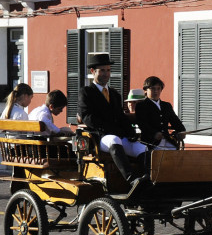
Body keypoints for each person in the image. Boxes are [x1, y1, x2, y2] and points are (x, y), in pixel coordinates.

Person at [78, 53, 150, 196]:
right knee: (114, 139)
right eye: (102, 70)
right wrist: (111, 129)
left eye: (108, 70)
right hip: (100, 137)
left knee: (142, 147)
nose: (106, 74)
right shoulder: (86, 92)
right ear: (93, 72)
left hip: (118, 135)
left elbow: (121, 117)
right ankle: (132, 179)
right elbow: (87, 117)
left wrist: (130, 133)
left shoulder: (115, 94)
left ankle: (148, 179)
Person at [135, 76, 186, 150]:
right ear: (145, 90)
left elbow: (175, 121)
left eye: (158, 88)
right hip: (151, 143)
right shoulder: (141, 106)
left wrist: (181, 131)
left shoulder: (166, 105)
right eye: (153, 88)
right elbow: (142, 124)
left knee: (177, 155)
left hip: (168, 141)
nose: (156, 91)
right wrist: (154, 134)